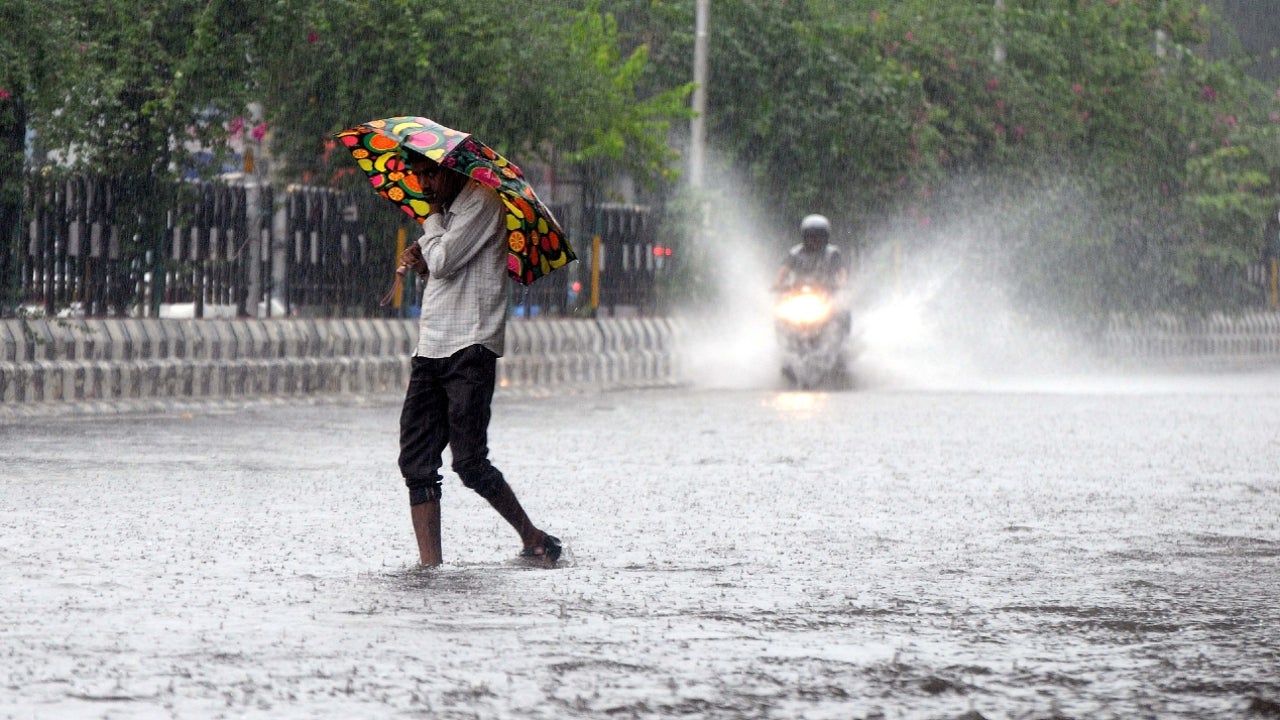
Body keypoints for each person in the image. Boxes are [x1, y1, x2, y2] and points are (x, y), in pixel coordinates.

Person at [395, 148, 561, 567]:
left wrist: (430, 229)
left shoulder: (483, 202)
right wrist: (422, 262)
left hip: (470, 346)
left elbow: (446, 260)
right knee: (416, 462)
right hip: (431, 344)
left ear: (450, 168)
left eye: (429, 175)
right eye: (417, 176)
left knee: (469, 462)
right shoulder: (448, 210)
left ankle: (533, 536)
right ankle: (430, 566)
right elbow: (441, 268)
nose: (424, 186)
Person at [772, 214, 848, 292]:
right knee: (780, 301)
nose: (814, 240)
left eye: (819, 237)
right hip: (798, 291)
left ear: (825, 237)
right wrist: (778, 283)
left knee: (840, 303)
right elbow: (784, 269)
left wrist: (842, 282)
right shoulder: (795, 253)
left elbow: (841, 270)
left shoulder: (832, 253)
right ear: (805, 237)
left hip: (827, 291)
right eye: (811, 237)